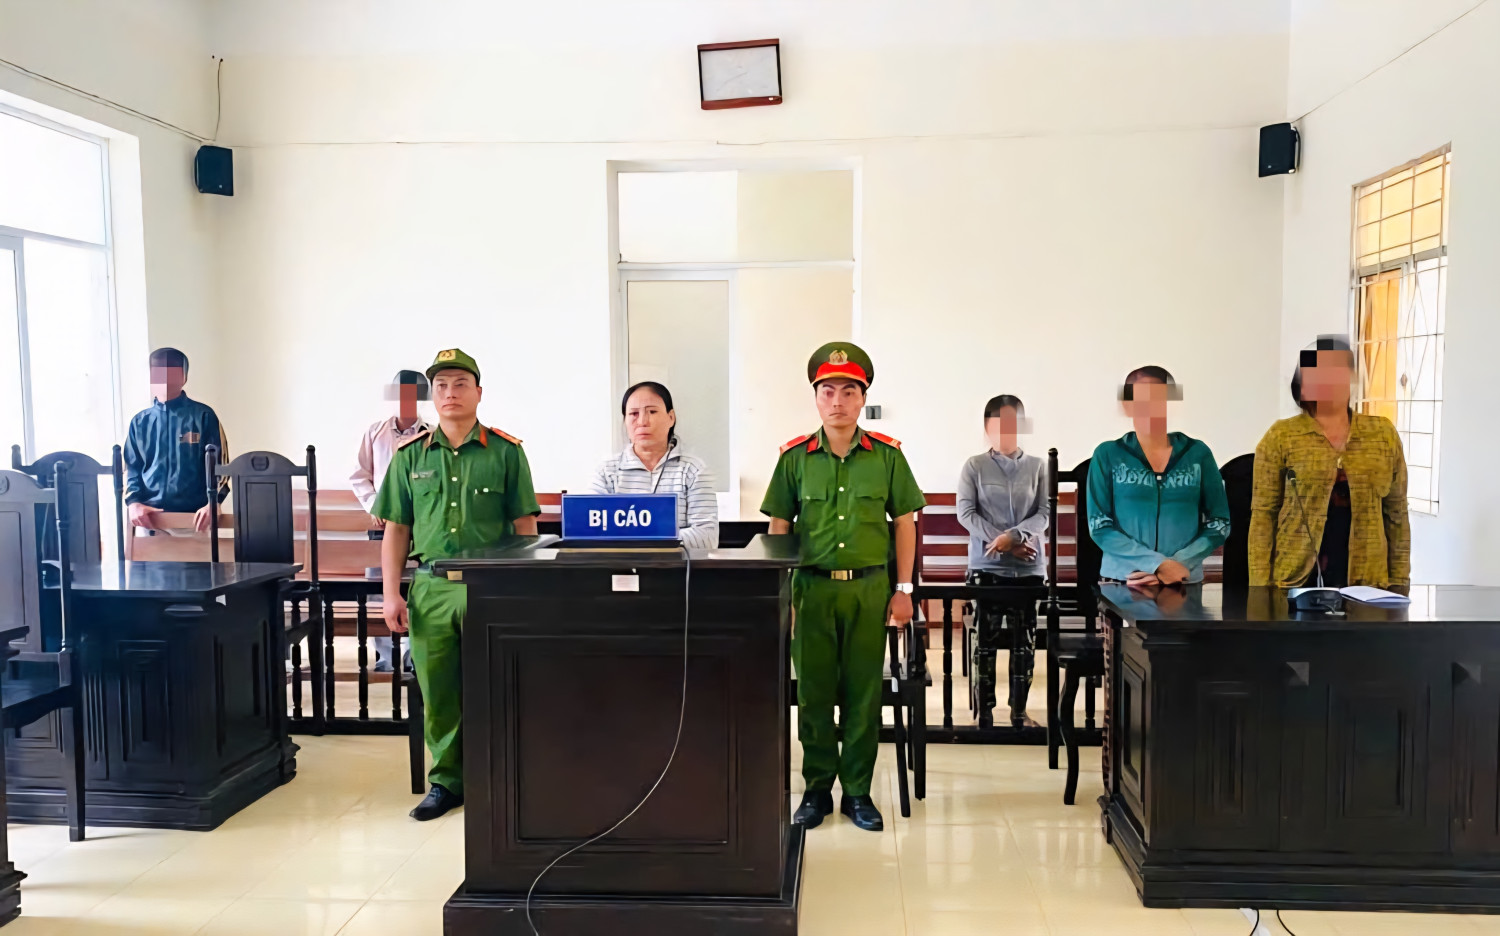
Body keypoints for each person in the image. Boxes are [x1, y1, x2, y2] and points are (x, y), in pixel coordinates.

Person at [762, 342, 925, 833]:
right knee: (813, 693)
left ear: (863, 398)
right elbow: (779, 527)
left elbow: (904, 523)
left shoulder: (887, 457)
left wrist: (904, 589)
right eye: (828, 391)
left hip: (869, 590)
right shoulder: (794, 458)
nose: (838, 401)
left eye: (848, 391)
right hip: (811, 590)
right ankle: (816, 790)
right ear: (816, 398)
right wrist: (782, 593)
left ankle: (857, 791)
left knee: (863, 693)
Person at [373, 348, 540, 821]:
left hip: (492, 587)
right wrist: (391, 594)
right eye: (441, 385)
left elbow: (525, 527)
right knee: (440, 690)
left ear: (478, 393)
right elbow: (396, 531)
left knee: (500, 683)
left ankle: (501, 775)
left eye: (460, 384)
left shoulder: (506, 452)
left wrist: (525, 591)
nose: (450, 393)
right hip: (432, 587)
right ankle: (447, 782)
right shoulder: (410, 456)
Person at [1249, 335, 1409, 590]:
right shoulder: (1280, 436)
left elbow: (1397, 515)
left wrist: (1399, 585)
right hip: (1295, 581)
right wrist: (1259, 589)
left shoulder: (1382, 434)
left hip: (1369, 584)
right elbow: (1263, 517)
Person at [1086, 365, 1230, 588]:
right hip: (1124, 582)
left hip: (1183, 581)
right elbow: (1099, 525)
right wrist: (1157, 565)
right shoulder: (1108, 455)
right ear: (1127, 405)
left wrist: (1180, 564)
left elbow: (1220, 522)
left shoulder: (1197, 454)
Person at [956, 394, 1049, 727]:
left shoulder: (1038, 466)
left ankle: (1019, 712)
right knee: (985, 643)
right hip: (987, 568)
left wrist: (1018, 536)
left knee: (1024, 645)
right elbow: (966, 513)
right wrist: (1005, 543)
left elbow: (1045, 512)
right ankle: (984, 713)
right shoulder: (974, 466)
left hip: (1028, 569)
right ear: (987, 427)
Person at [352, 369, 433, 673]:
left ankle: (412, 655)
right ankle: (386, 657)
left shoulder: (431, 434)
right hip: (383, 525)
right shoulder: (375, 432)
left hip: (419, 525)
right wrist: (376, 503)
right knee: (382, 587)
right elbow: (359, 475)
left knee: (415, 585)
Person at [591, 381, 719, 549]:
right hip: (621, 564)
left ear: (671, 417)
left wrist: (642, 538)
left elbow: (707, 537)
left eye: (652, 412)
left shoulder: (694, 470)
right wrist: (659, 537)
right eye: (633, 414)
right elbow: (592, 530)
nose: (642, 421)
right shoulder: (606, 471)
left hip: (676, 565)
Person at [123, 347, 228, 533]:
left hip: (195, 519)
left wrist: (214, 503)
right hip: (149, 519)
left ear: (184, 377)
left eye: (172, 372)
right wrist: (133, 503)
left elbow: (221, 465)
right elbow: (132, 467)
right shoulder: (139, 422)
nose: (164, 379)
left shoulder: (204, 416)